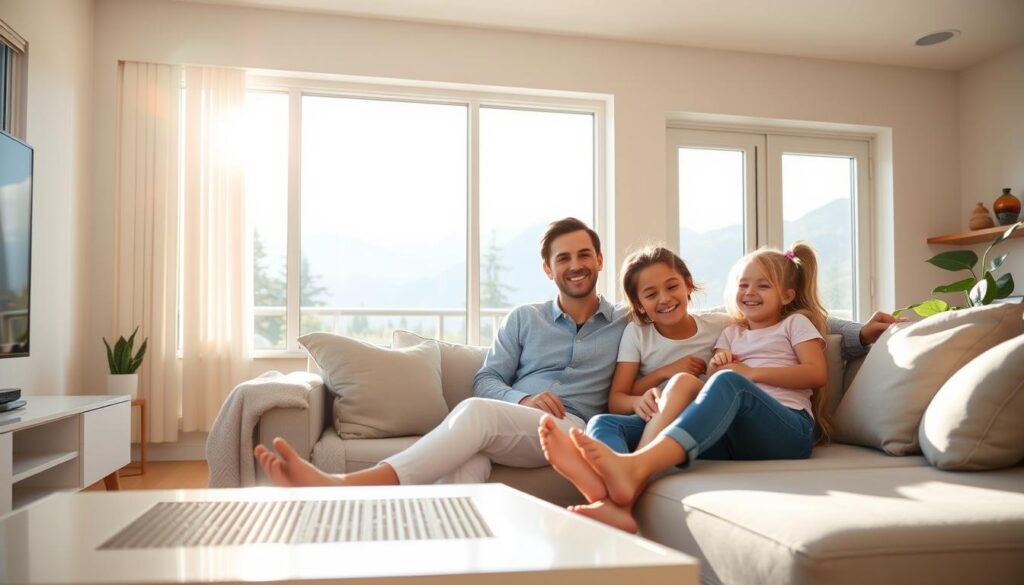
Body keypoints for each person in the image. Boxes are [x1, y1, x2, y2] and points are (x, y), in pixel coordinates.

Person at [254, 217, 627, 487]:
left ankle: (354, 485)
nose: (575, 265)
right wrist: (523, 398)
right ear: (548, 269)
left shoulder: (626, 323)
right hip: (515, 423)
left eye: (583, 255)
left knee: (476, 414)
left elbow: (677, 335)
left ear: (599, 260)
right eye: (563, 258)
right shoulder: (524, 319)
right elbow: (487, 379)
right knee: (465, 464)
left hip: (574, 427)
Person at [540, 242, 845, 532]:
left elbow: (816, 373)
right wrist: (716, 366)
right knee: (605, 421)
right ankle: (615, 502)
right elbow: (712, 382)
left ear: (788, 295)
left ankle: (633, 469)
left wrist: (749, 373)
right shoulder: (731, 331)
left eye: (763, 286)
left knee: (729, 381)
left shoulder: (794, 324)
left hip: (788, 431)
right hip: (736, 437)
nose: (750, 293)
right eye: (743, 285)